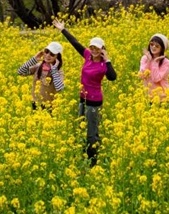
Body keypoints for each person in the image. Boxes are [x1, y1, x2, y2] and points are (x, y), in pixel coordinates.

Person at [52, 19, 117, 166]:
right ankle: (83, 156)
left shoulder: (104, 64)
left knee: (91, 132)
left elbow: (112, 77)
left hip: (94, 102)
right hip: (83, 98)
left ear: (102, 49)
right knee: (81, 127)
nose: (94, 50)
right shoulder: (87, 56)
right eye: (92, 47)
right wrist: (63, 29)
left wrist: (107, 60)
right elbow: (75, 43)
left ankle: (93, 161)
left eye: (97, 48)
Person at [17, 41, 65, 110]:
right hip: (35, 103)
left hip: (50, 106)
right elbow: (20, 72)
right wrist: (34, 60)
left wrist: (54, 70)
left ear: (57, 57)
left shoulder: (59, 72)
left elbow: (60, 88)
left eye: (52, 54)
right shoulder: (38, 66)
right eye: (46, 51)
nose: (48, 55)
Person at [139, 33, 169, 102]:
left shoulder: (166, 62)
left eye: (157, 46)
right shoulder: (145, 58)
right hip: (147, 98)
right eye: (152, 44)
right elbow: (141, 76)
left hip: (162, 99)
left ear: (162, 48)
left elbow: (156, 79)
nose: (153, 47)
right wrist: (149, 61)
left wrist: (155, 63)